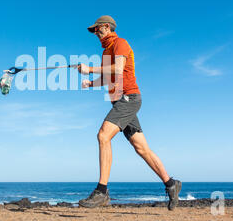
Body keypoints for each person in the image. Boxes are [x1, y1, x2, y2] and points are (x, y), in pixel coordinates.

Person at [76, 15, 182, 210]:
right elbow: (110, 76)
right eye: (93, 32)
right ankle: (171, 184)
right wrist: (91, 83)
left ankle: (101, 191)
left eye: (97, 30)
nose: (95, 34)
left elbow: (118, 68)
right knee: (141, 148)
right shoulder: (106, 51)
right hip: (121, 101)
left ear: (106, 27)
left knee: (103, 136)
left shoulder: (120, 43)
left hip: (129, 99)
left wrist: (89, 69)